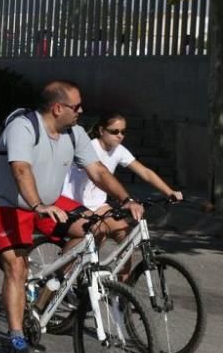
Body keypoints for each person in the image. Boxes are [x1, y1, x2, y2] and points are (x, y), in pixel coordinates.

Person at [0, 80, 145, 353]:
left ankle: (52, 289)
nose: (81, 110)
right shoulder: (23, 127)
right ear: (57, 108)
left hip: (48, 203)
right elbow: (20, 169)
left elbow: (98, 172)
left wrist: (126, 199)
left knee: (95, 227)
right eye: (76, 105)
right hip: (7, 203)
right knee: (16, 267)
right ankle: (17, 338)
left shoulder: (75, 133)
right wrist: (38, 205)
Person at [62, 112, 182, 268]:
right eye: (114, 131)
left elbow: (145, 172)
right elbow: (98, 177)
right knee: (98, 233)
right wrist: (125, 199)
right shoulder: (90, 148)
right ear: (101, 130)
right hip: (75, 202)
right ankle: (63, 275)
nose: (120, 136)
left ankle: (122, 289)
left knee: (127, 239)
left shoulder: (119, 150)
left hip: (98, 204)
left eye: (123, 132)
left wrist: (169, 192)